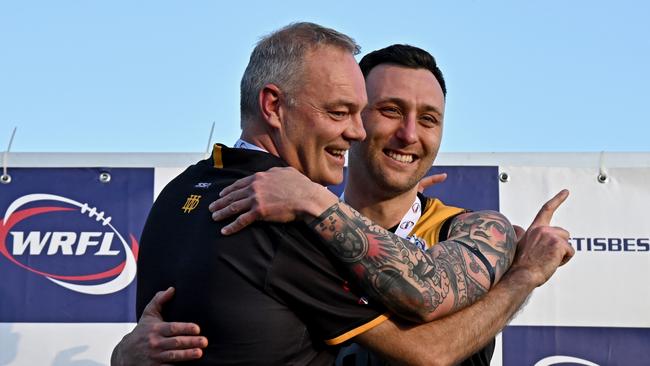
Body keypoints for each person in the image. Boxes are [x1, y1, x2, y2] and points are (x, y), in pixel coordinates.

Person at [112, 23, 573, 366]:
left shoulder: (473, 227)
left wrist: (527, 271)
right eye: (385, 111)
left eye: (429, 119)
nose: (408, 134)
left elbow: (429, 297)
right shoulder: (277, 214)